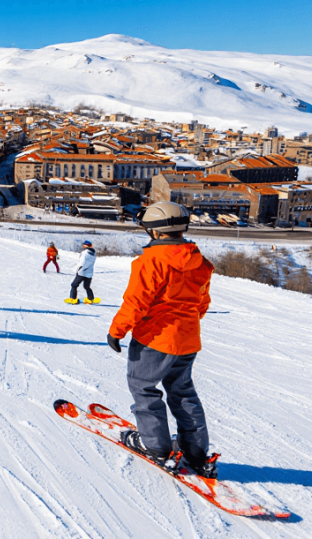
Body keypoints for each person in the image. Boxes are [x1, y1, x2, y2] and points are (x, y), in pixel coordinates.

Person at [108, 201, 218, 479]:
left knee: (144, 388)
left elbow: (136, 303)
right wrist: (184, 327)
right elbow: (201, 303)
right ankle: (195, 450)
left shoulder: (149, 262)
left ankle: (155, 446)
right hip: (187, 339)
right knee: (182, 392)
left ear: (155, 231)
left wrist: (117, 331)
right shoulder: (201, 263)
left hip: (154, 340)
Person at [65, 240, 98, 304]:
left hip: (82, 272)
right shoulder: (94, 254)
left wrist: (78, 270)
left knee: (74, 285)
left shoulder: (84, 253)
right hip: (89, 273)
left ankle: (73, 298)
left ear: (85, 245)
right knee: (87, 286)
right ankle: (90, 298)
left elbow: (82, 263)